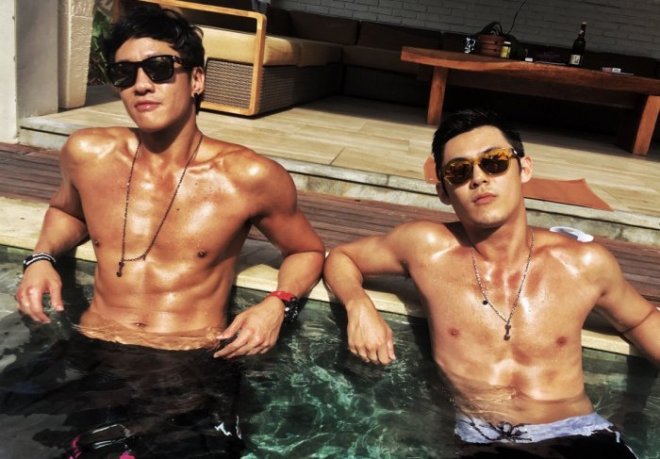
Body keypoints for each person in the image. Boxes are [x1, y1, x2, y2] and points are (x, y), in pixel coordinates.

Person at [11, 5, 324, 457]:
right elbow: (68, 211)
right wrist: (41, 257)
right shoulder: (88, 153)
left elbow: (306, 251)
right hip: (94, 348)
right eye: (125, 73)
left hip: (191, 362)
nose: (141, 84)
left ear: (196, 79)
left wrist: (276, 305)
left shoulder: (249, 177)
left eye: (159, 68)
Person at [323, 108, 659, 458]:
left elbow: (642, 319)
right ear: (443, 191)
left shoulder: (582, 264)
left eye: (494, 162)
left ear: (524, 169)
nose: (479, 178)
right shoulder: (425, 249)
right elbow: (341, 257)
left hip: (579, 435)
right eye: (459, 171)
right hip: (484, 440)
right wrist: (358, 305)